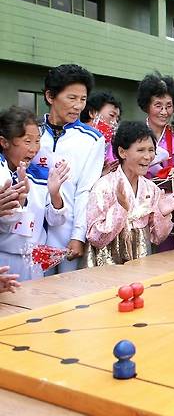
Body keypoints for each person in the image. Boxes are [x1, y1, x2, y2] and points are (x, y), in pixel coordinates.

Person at [32, 64, 105, 272]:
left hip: (67, 235)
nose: (78, 106)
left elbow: (85, 191)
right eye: (71, 98)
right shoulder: (30, 134)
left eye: (82, 99)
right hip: (31, 234)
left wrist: (78, 236)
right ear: (50, 96)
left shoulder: (92, 140)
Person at [85, 122, 174, 266]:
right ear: (122, 152)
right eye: (141, 150)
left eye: (151, 150)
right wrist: (121, 209)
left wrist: (161, 213)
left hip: (141, 260)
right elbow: (96, 238)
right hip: (109, 263)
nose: (148, 156)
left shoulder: (151, 189)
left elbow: (157, 238)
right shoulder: (104, 186)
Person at [0, 106, 69, 280]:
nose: (34, 148)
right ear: (4, 142)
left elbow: (55, 220)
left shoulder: (39, 174)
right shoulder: (2, 174)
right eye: (27, 141)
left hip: (33, 260)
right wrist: (20, 201)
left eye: (37, 141)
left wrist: (55, 195)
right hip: (6, 259)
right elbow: (5, 224)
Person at [138, 72, 174, 250]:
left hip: (169, 205)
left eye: (169, 106)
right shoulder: (133, 133)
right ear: (146, 106)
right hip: (139, 204)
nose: (164, 112)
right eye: (158, 105)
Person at [80, 91, 122, 176]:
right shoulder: (77, 138)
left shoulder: (112, 145)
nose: (114, 123)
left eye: (117, 119)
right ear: (92, 113)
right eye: (111, 115)